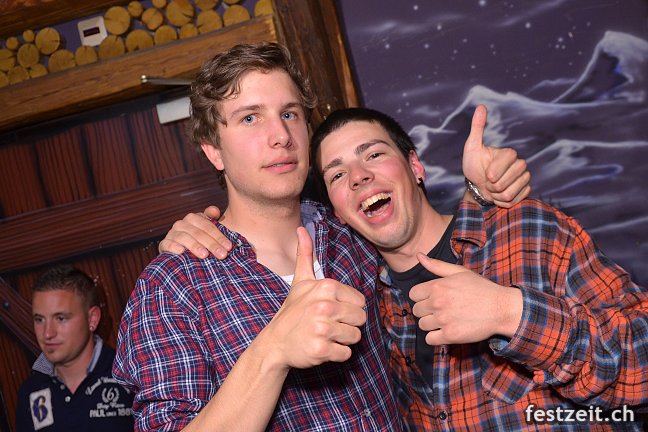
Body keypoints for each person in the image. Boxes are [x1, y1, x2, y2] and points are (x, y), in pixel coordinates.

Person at [113, 42, 530, 431]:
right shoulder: (172, 287)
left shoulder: (352, 233)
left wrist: (481, 193)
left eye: (290, 113)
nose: (281, 136)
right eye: (250, 118)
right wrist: (272, 350)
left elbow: (437, 244)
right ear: (213, 151)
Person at [165, 105, 648, 430]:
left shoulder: (524, 231)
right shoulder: (360, 294)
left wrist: (511, 313)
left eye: (374, 154)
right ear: (336, 208)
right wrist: (196, 229)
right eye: (337, 174)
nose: (359, 176)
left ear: (415, 166)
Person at [16, 264, 134, 432]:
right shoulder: (30, 390)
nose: (47, 333)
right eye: (39, 320)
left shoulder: (129, 376)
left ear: (92, 319)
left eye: (61, 318)